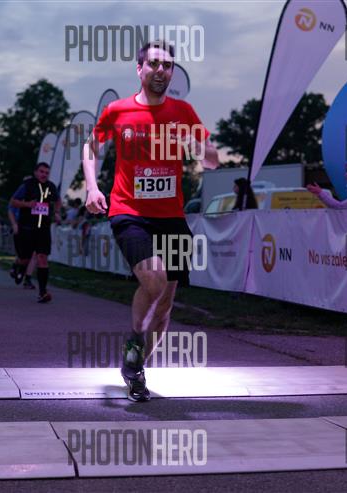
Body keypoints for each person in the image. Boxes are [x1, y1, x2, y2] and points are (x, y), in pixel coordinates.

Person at [82, 40, 219, 402]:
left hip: (171, 217)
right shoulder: (118, 110)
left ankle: (136, 367)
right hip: (129, 212)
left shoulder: (183, 111)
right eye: (154, 64)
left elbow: (211, 159)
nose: (161, 70)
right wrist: (92, 187)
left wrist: (203, 149)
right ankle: (134, 339)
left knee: (164, 309)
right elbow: (91, 147)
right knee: (154, 279)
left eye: (167, 65)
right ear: (139, 69)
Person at [9, 162, 61, 303]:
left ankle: (43, 292)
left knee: (42, 257)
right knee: (25, 259)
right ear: (36, 172)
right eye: (41, 172)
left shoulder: (51, 186)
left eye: (46, 172)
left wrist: (57, 212)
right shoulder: (27, 185)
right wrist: (27, 204)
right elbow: (13, 202)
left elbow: (58, 200)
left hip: (43, 228)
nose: (44, 175)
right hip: (27, 228)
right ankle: (18, 267)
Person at [8, 195, 36, 290]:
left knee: (33, 254)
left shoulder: (38, 199)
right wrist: (14, 224)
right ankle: (17, 267)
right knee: (23, 256)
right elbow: (10, 210)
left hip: (34, 230)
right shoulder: (18, 199)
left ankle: (26, 277)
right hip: (21, 230)